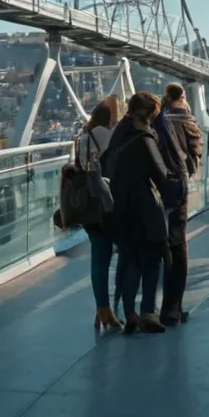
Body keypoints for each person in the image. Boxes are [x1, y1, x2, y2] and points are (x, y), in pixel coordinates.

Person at [104, 92, 173, 334]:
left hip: (120, 209)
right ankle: (147, 313)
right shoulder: (144, 138)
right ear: (147, 114)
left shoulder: (118, 134)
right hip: (145, 208)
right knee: (153, 259)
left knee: (131, 259)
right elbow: (160, 174)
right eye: (154, 114)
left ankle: (129, 313)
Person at [158, 83, 203, 326]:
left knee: (158, 243)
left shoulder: (157, 121)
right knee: (178, 243)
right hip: (178, 188)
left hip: (155, 188)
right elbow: (197, 151)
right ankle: (173, 307)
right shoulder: (189, 121)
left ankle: (146, 308)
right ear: (183, 97)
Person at [79, 96, 123, 330]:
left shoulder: (83, 137)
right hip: (106, 205)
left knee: (99, 259)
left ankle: (101, 308)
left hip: (88, 207)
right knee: (122, 255)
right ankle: (113, 309)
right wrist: (111, 205)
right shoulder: (108, 134)